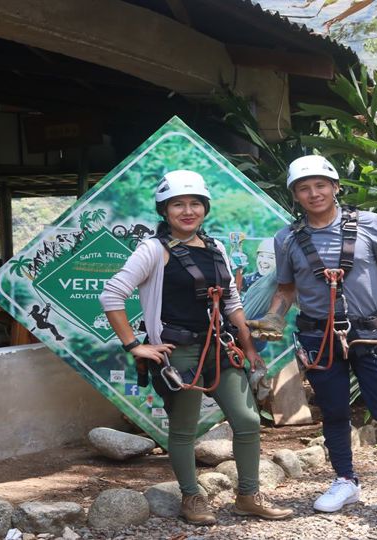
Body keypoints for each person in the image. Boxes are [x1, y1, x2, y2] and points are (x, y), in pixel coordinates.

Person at [247, 155, 377, 519]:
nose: (314, 193)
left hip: (370, 333)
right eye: (304, 188)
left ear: (335, 187)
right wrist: (274, 316)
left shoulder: (368, 224)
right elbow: (286, 289)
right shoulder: (287, 238)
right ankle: (345, 481)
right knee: (334, 410)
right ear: (295, 196)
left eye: (321, 185)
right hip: (318, 337)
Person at [100, 170, 293, 525]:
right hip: (180, 352)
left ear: (205, 208)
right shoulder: (153, 250)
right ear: (164, 210)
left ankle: (248, 496)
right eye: (178, 204)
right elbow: (112, 294)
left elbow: (232, 302)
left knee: (248, 420)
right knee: (185, 428)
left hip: (219, 347)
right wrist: (134, 345)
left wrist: (249, 348)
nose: (187, 211)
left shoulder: (215, 247)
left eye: (195, 204)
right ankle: (192, 497)